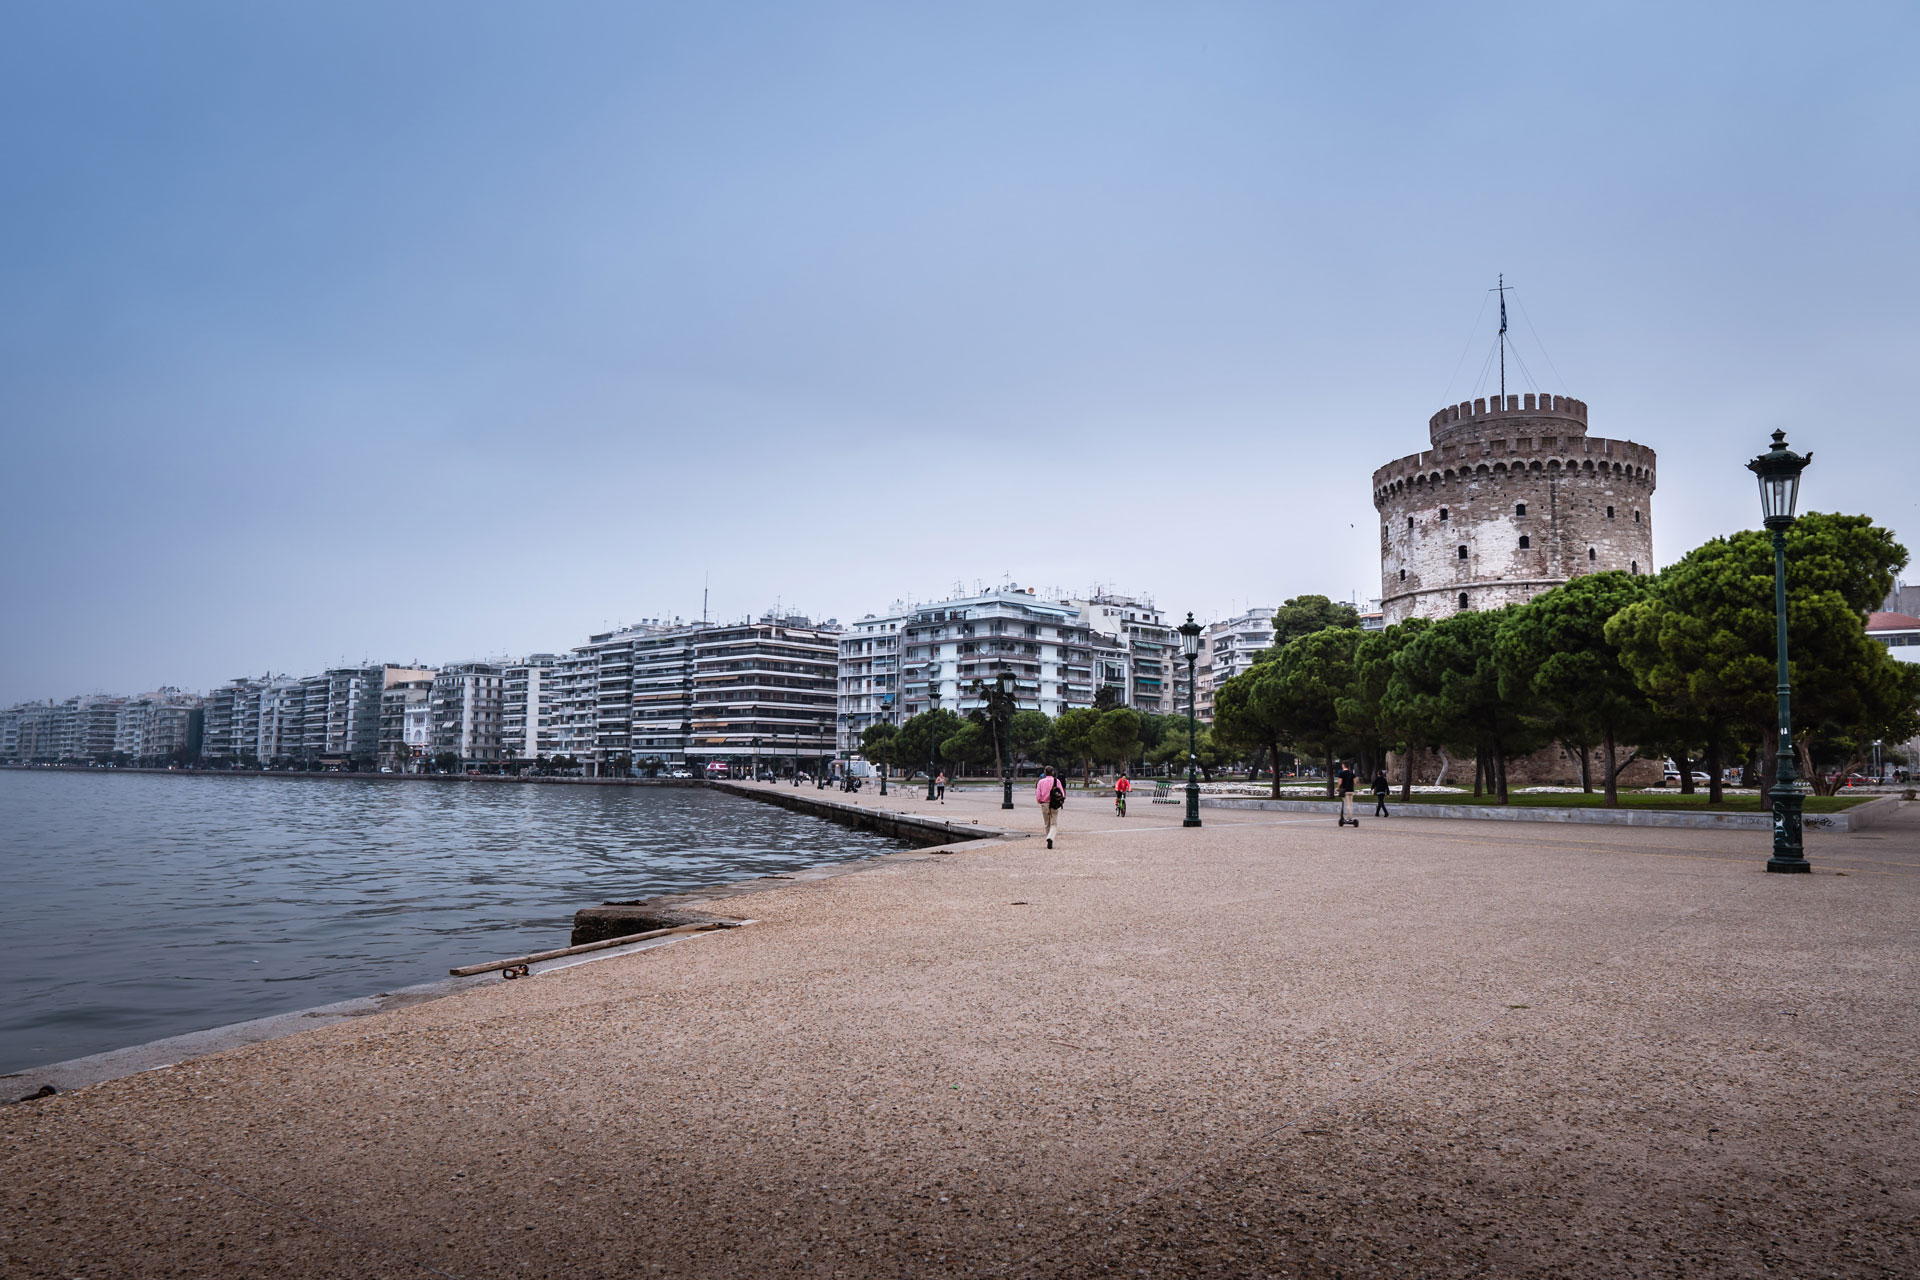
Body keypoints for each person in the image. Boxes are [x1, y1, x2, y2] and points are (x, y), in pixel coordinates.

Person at [1036, 766, 1064, 848]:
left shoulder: (1041, 782)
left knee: (1047, 823)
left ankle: (1048, 838)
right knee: (1054, 823)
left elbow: (1038, 795)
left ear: (1045, 773)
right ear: (1052, 772)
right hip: (1054, 804)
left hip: (1044, 803)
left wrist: (1039, 801)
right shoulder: (1057, 781)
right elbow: (1062, 793)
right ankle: (1050, 838)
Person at [1336, 760, 1358, 827]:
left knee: (1347, 805)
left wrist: (1338, 788)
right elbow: (1355, 782)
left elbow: (1340, 783)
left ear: (1343, 765)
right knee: (1351, 804)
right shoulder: (1352, 773)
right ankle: (1350, 817)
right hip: (1351, 790)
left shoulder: (1341, 773)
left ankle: (1349, 818)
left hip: (1345, 791)